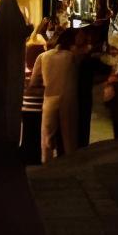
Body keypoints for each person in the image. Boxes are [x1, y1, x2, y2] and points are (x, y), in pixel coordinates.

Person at [29, 27, 78, 162]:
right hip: (68, 100)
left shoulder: (42, 57)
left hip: (50, 98)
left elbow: (34, 82)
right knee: (69, 138)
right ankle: (71, 164)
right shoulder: (71, 56)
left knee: (47, 138)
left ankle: (47, 165)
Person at [74, 25, 111, 148]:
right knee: (81, 123)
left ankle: (81, 148)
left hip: (82, 93)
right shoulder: (87, 54)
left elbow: (104, 71)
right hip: (80, 93)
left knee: (81, 123)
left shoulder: (89, 54)